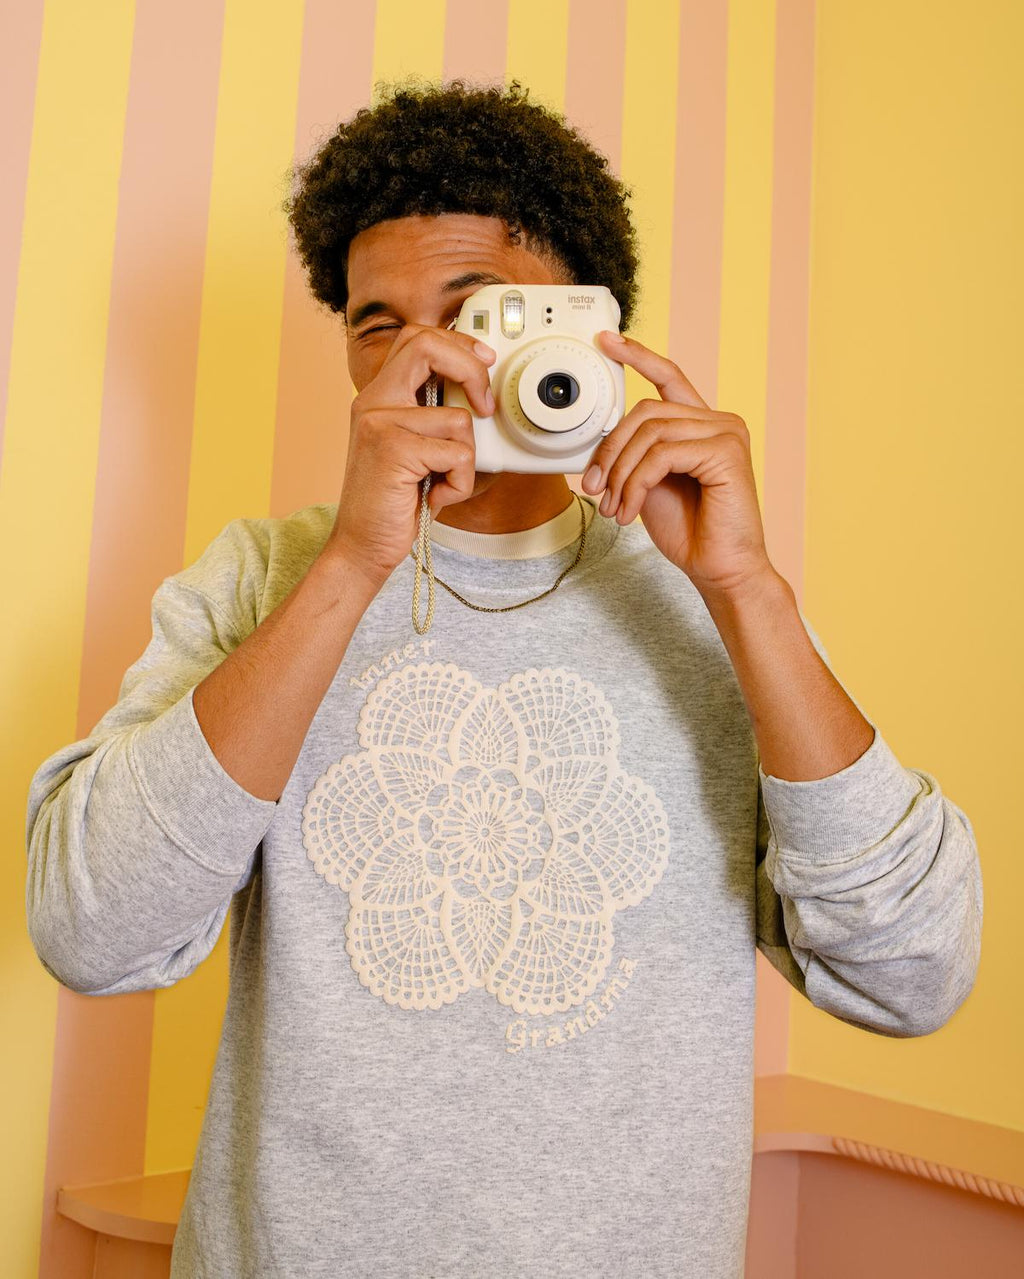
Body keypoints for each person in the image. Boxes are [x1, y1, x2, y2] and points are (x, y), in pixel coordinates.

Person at [25, 79, 983, 1278]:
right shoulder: (260, 577)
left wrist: (748, 592)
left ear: (589, 328)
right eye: (378, 326)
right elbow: (90, 929)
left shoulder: (719, 605)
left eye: (476, 314)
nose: (427, 362)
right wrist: (355, 562)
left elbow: (915, 972)